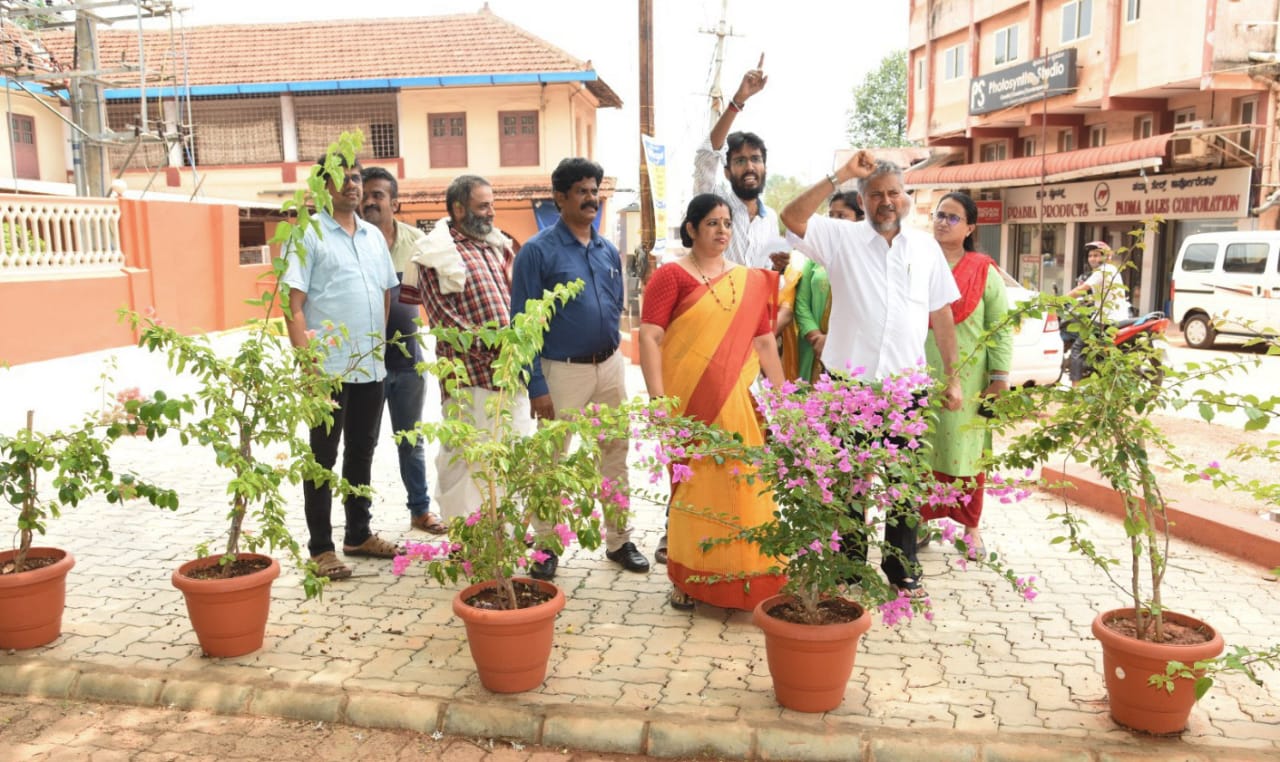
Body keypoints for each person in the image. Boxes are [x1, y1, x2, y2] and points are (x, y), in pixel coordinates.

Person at [780, 151, 963, 599]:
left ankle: (902, 572)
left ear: (908, 198)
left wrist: (953, 377)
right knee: (849, 485)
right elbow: (791, 215)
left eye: (895, 193)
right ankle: (848, 570)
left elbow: (941, 315)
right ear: (861, 201)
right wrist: (840, 173)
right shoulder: (840, 238)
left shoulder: (925, 248)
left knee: (903, 487)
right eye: (876, 194)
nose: (887, 201)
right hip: (849, 388)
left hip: (906, 389)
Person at [639, 193, 787, 611]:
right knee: (694, 490)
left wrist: (785, 402)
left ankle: (749, 578)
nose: (722, 231)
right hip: (689, 405)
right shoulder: (671, 276)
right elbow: (650, 336)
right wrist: (657, 402)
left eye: (726, 223)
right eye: (712, 224)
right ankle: (689, 581)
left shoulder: (749, 280)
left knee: (745, 490)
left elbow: (763, 342)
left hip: (736, 406)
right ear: (691, 229)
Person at [510, 158, 649, 580]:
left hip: (609, 367)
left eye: (594, 191)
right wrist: (535, 384)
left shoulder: (607, 249)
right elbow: (523, 324)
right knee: (550, 459)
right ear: (560, 198)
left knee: (615, 454)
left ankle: (620, 540)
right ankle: (546, 546)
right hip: (560, 372)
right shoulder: (537, 252)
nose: (591, 199)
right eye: (582, 191)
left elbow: (615, 305)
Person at [283, 156, 402, 581]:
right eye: (341, 178)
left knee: (362, 451)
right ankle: (320, 548)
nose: (352, 185)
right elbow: (292, 305)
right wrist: (308, 367)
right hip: (327, 370)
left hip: (370, 366)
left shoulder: (372, 236)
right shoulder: (307, 234)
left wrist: (377, 346)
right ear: (321, 186)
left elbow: (385, 294)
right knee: (322, 458)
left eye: (355, 177)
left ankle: (358, 533)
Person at [398, 174, 529, 522]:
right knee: (464, 459)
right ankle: (465, 536)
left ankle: (502, 535)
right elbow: (444, 320)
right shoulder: (434, 253)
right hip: (468, 376)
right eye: (483, 205)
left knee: (508, 455)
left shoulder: (496, 246)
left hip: (509, 374)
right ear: (458, 208)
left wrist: (517, 348)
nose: (491, 213)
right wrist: (497, 349)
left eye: (492, 205)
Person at [919, 192, 1013, 558]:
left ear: (971, 227)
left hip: (969, 379)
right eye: (939, 215)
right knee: (919, 450)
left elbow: (1000, 328)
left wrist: (1000, 377)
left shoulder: (983, 269)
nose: (943, 221)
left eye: (953, 217)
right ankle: (919, 522)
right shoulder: (919, 263)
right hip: (920, 373)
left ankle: (971, 529)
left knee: (967, 452)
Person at [359, 166, 446, 536]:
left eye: (378, 195)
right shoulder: (355, 241)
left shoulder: (417, 243)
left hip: (409, 363)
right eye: (365, 195)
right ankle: (358, 523)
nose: (369, 201)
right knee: (362, 445)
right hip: (364, 366)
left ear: (395, 202)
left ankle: (421, 510)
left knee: (411, 440)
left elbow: (443, 291)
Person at [693, 56, 788, 271]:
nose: (750, 167)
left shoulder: (770, 219)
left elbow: (767, 273)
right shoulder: (714, 203)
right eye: (740, 161)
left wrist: (780, 267)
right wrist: (737, 102)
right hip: (715, 303)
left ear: (764, 167)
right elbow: (706, 157)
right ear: (727, 172)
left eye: (756, 159)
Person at [795, 192, 864, 382]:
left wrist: (833, 341)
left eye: (841, 216)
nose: (833, 222)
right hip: (813, 347)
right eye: (831, 216)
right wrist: (816, 338)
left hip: (850, 348)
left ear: (860, 219)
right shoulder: (815, 256)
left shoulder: (867, 260)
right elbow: (801, 303)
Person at [1065, 241, 1132, 384]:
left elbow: (1080, 290)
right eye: (1090, 256)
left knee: (1077, 349)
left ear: (1106, 257)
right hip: (1119, 317)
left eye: (1096, 255)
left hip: (1105, 320)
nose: (1092, 259)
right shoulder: (1112, 270)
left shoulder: (1102, 270)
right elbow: (1097, 293)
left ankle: (1075, 388)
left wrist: (1058, 300)